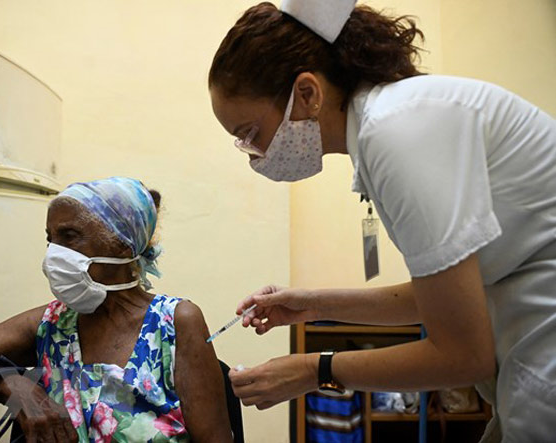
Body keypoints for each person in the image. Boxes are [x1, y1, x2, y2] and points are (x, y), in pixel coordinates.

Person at [208, 1, 556, 441]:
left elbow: (463, 355)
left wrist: (314, 369)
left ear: (308, 93)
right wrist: (314, 305)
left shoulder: (396, 133)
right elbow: (442, 298)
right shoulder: (388, 127)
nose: (253, 155)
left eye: (250, 134)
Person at [0, 177, 233, 443]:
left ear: (123, 243)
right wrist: (10, 383)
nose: (54, 254)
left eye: (69, 236)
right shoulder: (51, 322)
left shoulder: (176, 321)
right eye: (50, 239)